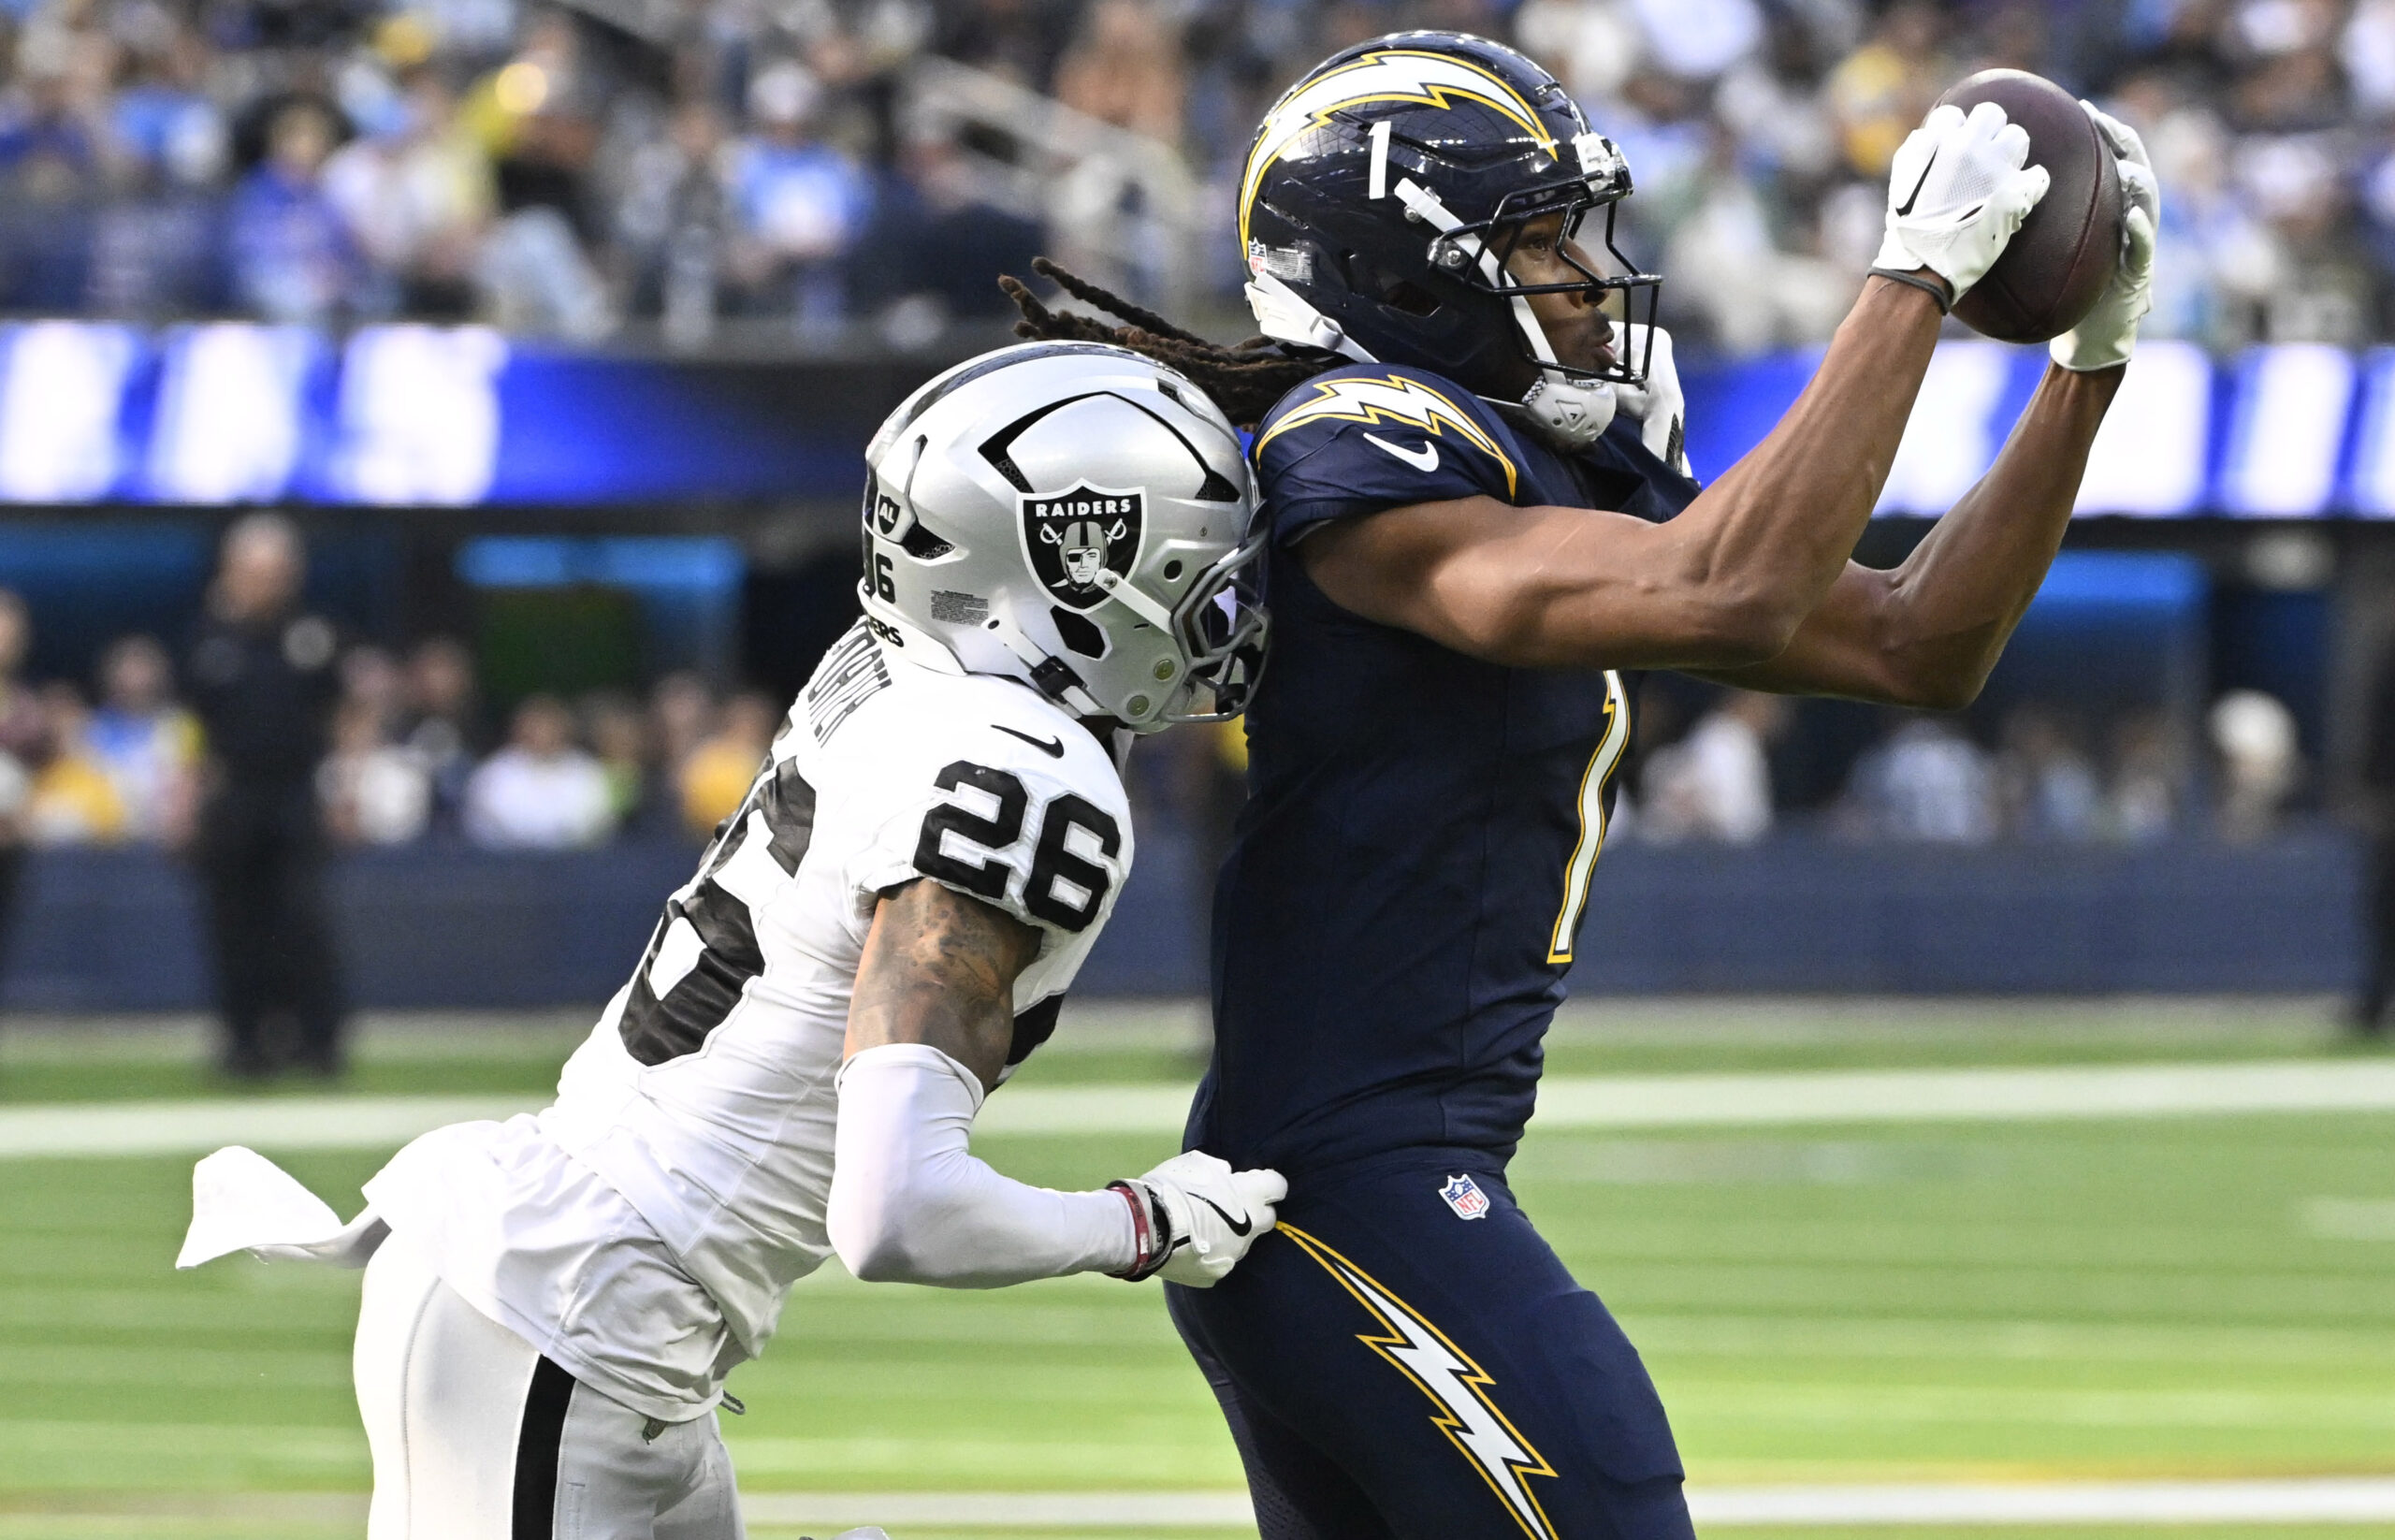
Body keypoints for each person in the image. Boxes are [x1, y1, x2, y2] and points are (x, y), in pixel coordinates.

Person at [1007, 31, 2157, 1539]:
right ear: (1399, 276)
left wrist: (2090, 366)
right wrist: (1910, 284)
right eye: (1536, 238)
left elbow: (1914, 643)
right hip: (1349, 1181)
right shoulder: (1353, 447)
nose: (1581, 275)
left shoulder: (1519, 463)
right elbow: (1732, 589)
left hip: (1362, 1173)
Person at [177, 343, 1282, 1538]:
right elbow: (898, 1209)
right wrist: (1143, 1223)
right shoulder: (1019, 772)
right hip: (562, 1321)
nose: (1222, 606)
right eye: (1195, 570)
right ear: (1074, 560)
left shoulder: (902, 672)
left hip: (606, 1318)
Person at [184, 513, 347, 1080]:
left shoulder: (313, 636)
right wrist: (183, 796)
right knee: (235, 924)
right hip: (233, 797)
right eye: (254, 571)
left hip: (296, 794)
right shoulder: (209, 638)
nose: (265, 583)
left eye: (275, 571)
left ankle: (319, 1042)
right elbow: (188, 728)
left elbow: (340, 717)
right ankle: (244, 1043)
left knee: (302, 921)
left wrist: (342, 788)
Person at [461, 694, 616, 850]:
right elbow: (488, 821)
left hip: (576, 861)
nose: (542, 733)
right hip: (507, 862)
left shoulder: (587, 771)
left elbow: (597, 821)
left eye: (550, 726)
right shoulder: (495, 772)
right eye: (535, 726)